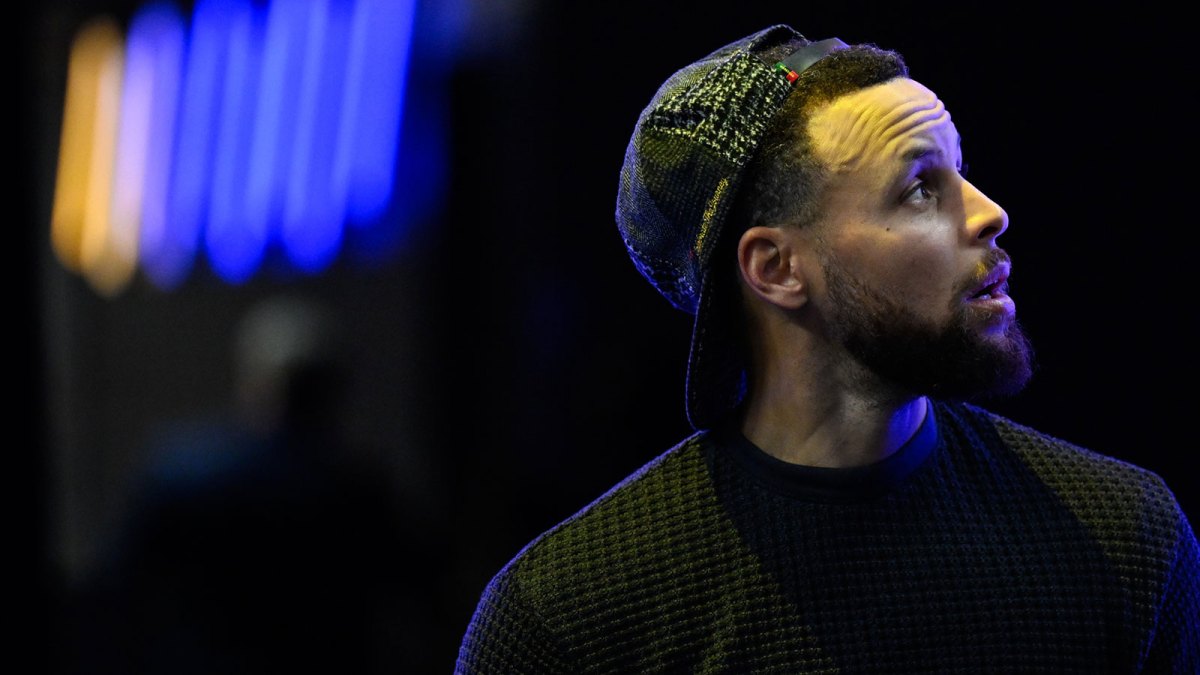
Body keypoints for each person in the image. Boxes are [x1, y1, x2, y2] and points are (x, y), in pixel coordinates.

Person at [455, 24, 1199, 672]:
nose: (990, 213)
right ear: (776, 268)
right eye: (918, 189)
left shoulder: (1122, 541)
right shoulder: (568, 620)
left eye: (960, 170)